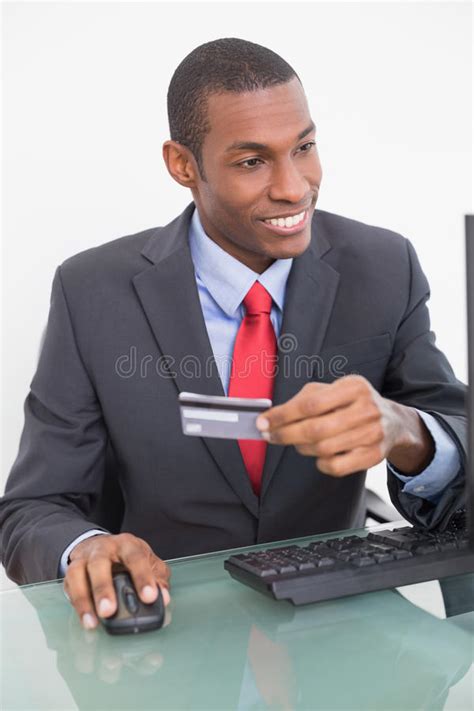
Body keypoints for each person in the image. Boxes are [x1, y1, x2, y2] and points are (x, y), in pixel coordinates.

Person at [0, 38, 466, 632]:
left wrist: (406, 431)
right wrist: (86, 547)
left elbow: (461, 439)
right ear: (182, 165)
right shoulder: (91, 291)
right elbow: (34, 507)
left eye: (304, 147)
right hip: (170, 635)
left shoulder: (383, 265)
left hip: (338, 630)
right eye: (252, 162)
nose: (295, 187)